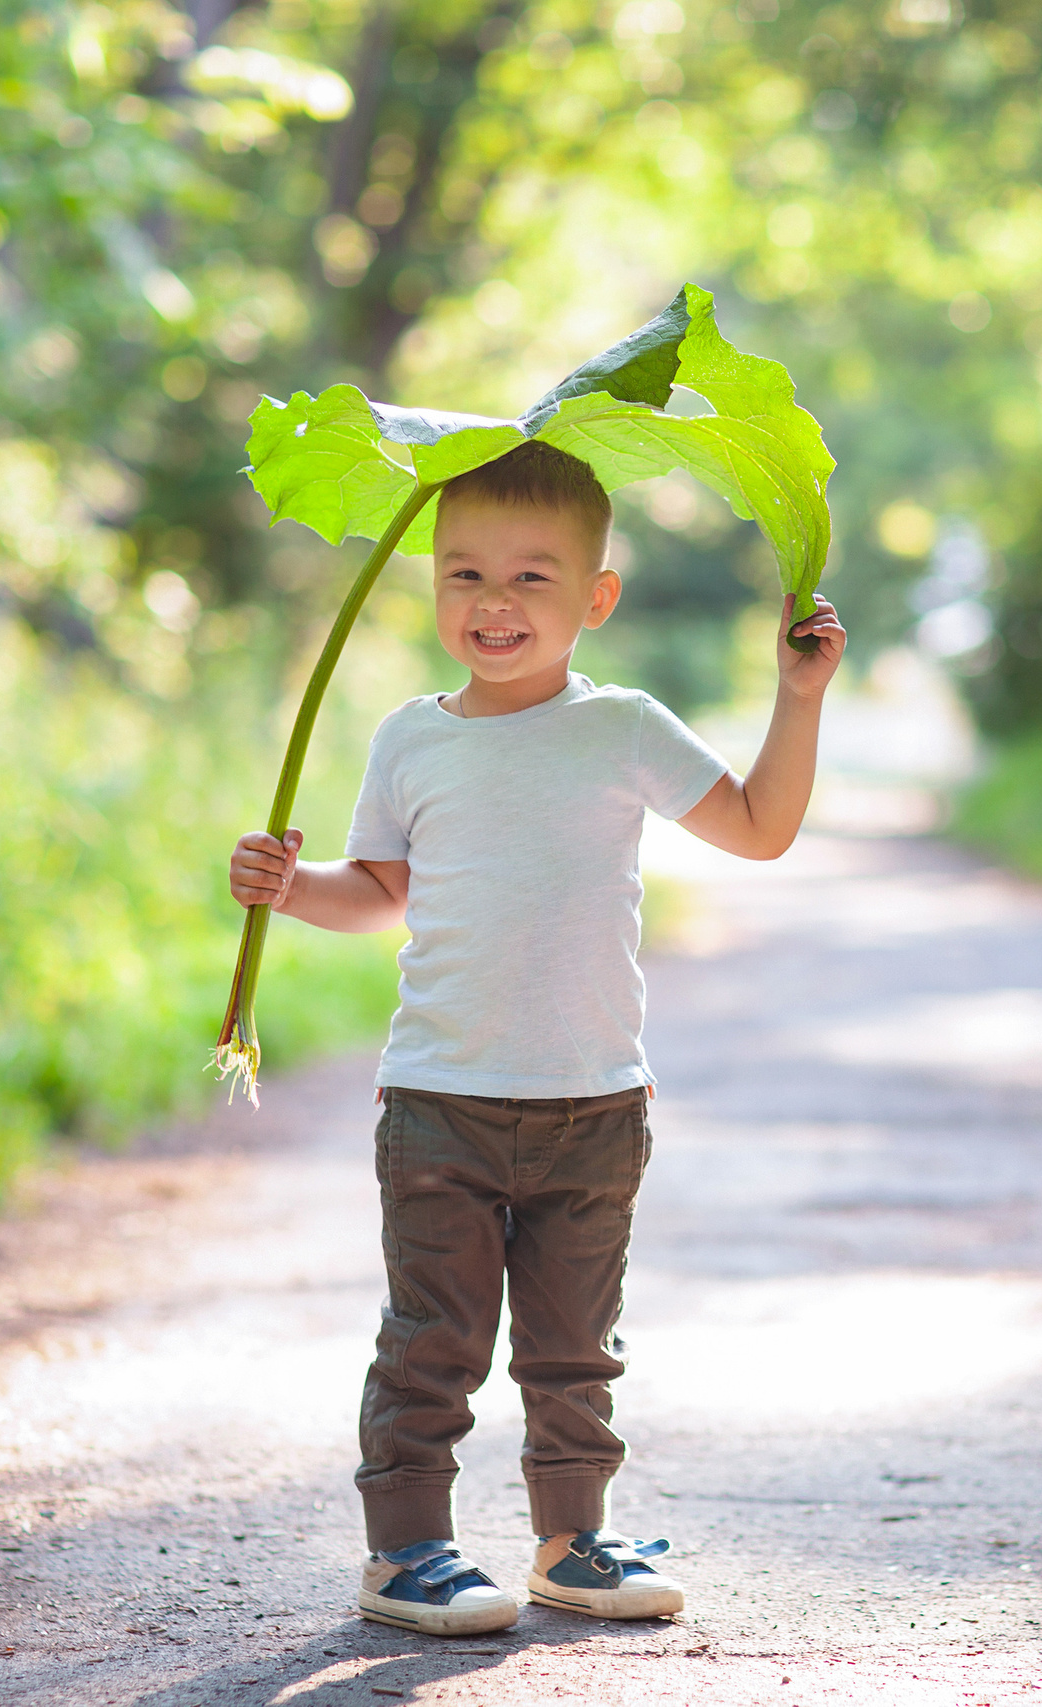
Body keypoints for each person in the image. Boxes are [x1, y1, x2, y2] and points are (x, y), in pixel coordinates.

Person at [225, 440, 845, 1636]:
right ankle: (407, 1551)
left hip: (593, 1100)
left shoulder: (622, 727)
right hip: (441, 1098)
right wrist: (290, 889)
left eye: (531, 579)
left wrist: (798, 699)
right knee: (431, 1343)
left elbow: (762, 829)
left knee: (575, 1351)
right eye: (464, 576)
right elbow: (380, 892)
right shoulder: (413, 737)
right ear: (432, 586)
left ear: (596, 599)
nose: (494, 604)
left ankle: (574, 1542)